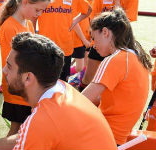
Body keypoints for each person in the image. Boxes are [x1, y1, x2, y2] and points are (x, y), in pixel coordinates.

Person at [0, 32, 117, 150]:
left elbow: (34, 132)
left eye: (9, 66)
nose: (4, 71)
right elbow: (24, 138)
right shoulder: (62, 89)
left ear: (28, 78)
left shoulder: (42, 119)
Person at [82, 8, 152, 145]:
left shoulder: (115, 60)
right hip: (118, 135)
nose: (93, 45)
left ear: (105, 32)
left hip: (104, 134)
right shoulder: (136, 56)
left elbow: (83, 99)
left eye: (93, 38)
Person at [0, 0, 50, 136]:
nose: (39, 14)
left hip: (27, 85)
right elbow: (13, 64)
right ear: (25, 2)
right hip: (18, 87)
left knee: (24, 129)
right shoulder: (9, 27)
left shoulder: (27, 24)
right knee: (17, 130)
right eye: (37, 10)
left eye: (42, 11)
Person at [79, 0, 139, 91]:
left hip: (119, 43)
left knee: (112, 82)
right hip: (101, 41)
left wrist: (117, 3)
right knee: (88, 78)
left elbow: (126, 21)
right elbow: (94, 19)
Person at [36, 0, 91, 81]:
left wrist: (75, 21)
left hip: (65, 48)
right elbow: (33, 16)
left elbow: (89, 10)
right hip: (45, 48)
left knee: (62, 83)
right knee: (45, 82)